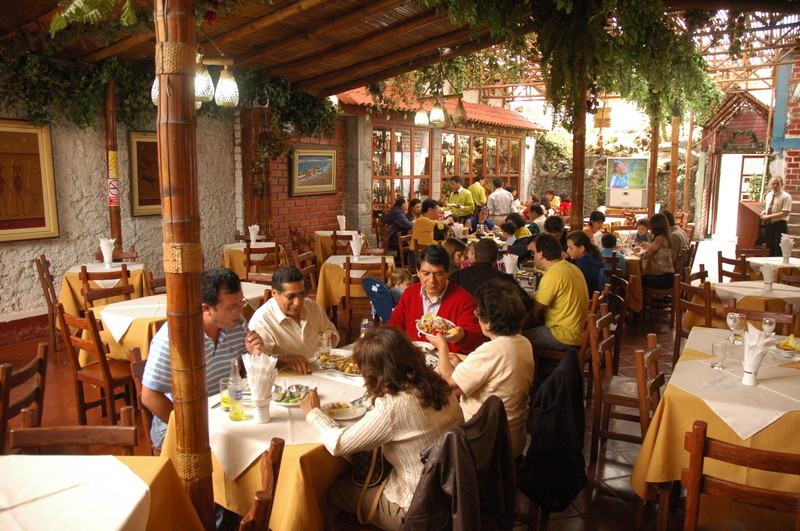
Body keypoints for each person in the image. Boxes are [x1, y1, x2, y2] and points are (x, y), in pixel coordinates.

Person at [300, 327, 463, 530]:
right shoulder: (438, 383)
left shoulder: (395, 405)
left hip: (417, 508)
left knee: (332, 490)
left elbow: (338, 444)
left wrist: (314, 413)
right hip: (455, 494)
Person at [142, 267, 265, 450]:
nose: (240, 312)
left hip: (221, 412)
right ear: (206, 308)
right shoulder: (174, 338)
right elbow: (150, 396)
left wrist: (254, 357)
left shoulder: (236, 325)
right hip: (178, 424)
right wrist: (190, 427)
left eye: (241, 303)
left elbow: (244, 375)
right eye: (232, 307)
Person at [430, 279, 534, 458]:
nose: (476, 316)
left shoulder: (492, 350)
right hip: (513, 435)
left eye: (478, 312)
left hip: (485, 440)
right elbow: (494, 377)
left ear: (488, 322)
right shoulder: (524, 343)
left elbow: (449, 386)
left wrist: (442, 348)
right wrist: (461, 365)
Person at [388, 245, 484, 353]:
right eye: (426, 273)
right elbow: (394, 326)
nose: (431, 281)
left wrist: (462, 337)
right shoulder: (410, 294)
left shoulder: (463, 300)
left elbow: (478, 341)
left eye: (438, 274)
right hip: (414, 360)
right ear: (418, 272)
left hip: (448, 363)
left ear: (448, 272)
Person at [249, 265, 339, 374]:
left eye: (301, 294)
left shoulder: (312, 307)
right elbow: (259, 361)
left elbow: (331, 331)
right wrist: (284, 360)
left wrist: (332, 337)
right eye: (291, 296)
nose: (298, 302)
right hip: (287, 378)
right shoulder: (262, 320)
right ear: (274, 294)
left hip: (321, 371)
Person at [523, 234, 588, 350]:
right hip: (579, 331)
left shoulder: (554, 274)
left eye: (534, 254)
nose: (534, 258)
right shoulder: (571, 267)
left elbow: (535, 307)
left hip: (564, 335)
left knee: (519, 339)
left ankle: (536, 368)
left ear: (541, 254)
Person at [449, 238, 516, 296]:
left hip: (465, 310)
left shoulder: (457, 276)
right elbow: (525, 302)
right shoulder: (506, 279)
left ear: (475, 257)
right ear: (496, 259)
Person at [640, 213, 675, 289]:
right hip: (668, 276)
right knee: (641, 278)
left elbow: (645, 255)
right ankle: (645, 299)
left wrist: (635, 252)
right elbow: (657, 250)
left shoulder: (659, 239)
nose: (649, 228)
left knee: (637, 280)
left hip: (663, 278)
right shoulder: (665, 237)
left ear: (655, 226)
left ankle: (640, 300)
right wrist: (649, 246)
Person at [566, 230, 605, 298]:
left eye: (571, 248)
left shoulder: (584, 266)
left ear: (581, 248)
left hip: (587, 303)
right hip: (595, 301)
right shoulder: (593, 259)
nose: (567, 251)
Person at [761, 175, 792, 256]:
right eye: (773, 184)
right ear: (770, 184)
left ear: (782, 184)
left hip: (779, 225)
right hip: (769, 225)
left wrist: (768, 216)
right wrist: (764, 212)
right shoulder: (768, 195)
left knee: (778, 249)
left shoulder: (786, 196)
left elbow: (785, 212)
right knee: (769, 248)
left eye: (777, 184)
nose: (775, 186)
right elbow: (769, 207)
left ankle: (778, 268)